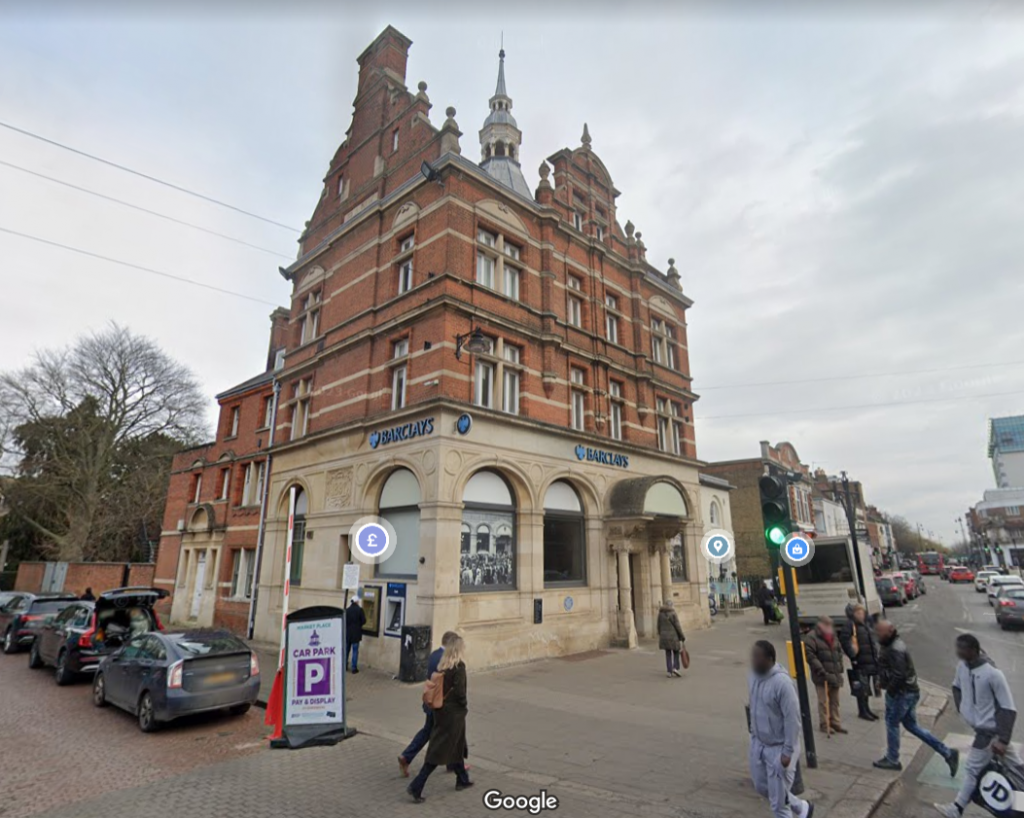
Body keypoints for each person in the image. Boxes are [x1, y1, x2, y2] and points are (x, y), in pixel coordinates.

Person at [934, 634, 1021, 818]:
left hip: (990, 733)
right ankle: (1022, 805)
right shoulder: (962, 667)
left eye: (962, 648)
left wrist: (1003, 740)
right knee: (1017, 767)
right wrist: (963, 709)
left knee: (972, 769)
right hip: (983, 730)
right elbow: (956, 686)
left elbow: (1008, 708)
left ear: (973, 650)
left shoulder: (992, 674)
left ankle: (956, 809)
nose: (958, 652)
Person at [872, 620, 959, 775]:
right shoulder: (891, 644)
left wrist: (890, 691)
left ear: (890, 631)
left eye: (880, 632)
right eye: (877, 631)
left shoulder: (895, 649)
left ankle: (892, 759)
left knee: (892, 723)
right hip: (908, 692)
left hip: (902, 694)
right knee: (912, 726)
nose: (877, 634)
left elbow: (899, 674)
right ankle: (947, 753)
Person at [748, 640, 815, 818]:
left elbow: (793, 719)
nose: (753, 660)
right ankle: (800, 807)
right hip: (759, 744)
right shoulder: (753, 677)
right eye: (752, 656)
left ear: (769, 659)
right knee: (762, 787)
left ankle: (793, 809)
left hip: (778, 749)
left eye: (757, 657)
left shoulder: (782, 684)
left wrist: (787, 752)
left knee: (778, 805)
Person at [407, 636, 473, 802]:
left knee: (456, 745)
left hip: (441, 711)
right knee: (439, 750)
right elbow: (459, 692)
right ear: (458, 649)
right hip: (454, 714)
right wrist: (464, 705)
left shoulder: (443, 665)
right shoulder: (459, 667)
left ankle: (462, 779)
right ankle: (416, 786)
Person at [398, 630, 460, 777]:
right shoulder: (447, 660)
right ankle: (454, 765)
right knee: (450, 733)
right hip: (441, 704)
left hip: (431, 702)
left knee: (427, 731)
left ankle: (407, 756)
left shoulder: (434, 655)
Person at [803, 615, 846, 734]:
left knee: (835, 700)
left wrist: (840, 667)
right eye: (826, 624)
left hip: (834, 673)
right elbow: (810, 655)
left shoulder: (833, 635)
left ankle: (835, 722)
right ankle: (824, 724)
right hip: (821, 674)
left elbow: (839, 651)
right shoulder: (811, 637)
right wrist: (820, 669)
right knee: (823, 701)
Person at [839, 603, 880, 722]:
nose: (862, 615)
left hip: (869, 661)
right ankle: (862, 711)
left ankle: (866, 709)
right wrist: (853, 656)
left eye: (862, 613)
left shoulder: (864, 624)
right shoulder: (850, 625)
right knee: (861, 687)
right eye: (859, 613)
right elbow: (844, 641)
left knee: (866, 687)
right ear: (854, 614)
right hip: (860, 661)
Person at [657, 600, 686, 678]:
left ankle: (669, 671)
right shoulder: (673, 613)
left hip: (664, 637)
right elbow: (677, 626)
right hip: (673, 636)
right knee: (676, 652)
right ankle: (675, 668)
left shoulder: (660, 614)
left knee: (668, 653)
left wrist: (661, 634)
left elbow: (658, 626)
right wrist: (682, 636)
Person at [345, 595, 366, 673]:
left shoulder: (347, 610)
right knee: (355, 650)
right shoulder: (360, 610)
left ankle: (345, 666)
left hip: (348, 634)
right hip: (356, 634)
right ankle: (354, 668)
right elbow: (364, 621)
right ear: (357, 602)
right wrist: (359, 624)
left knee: (346, 650)